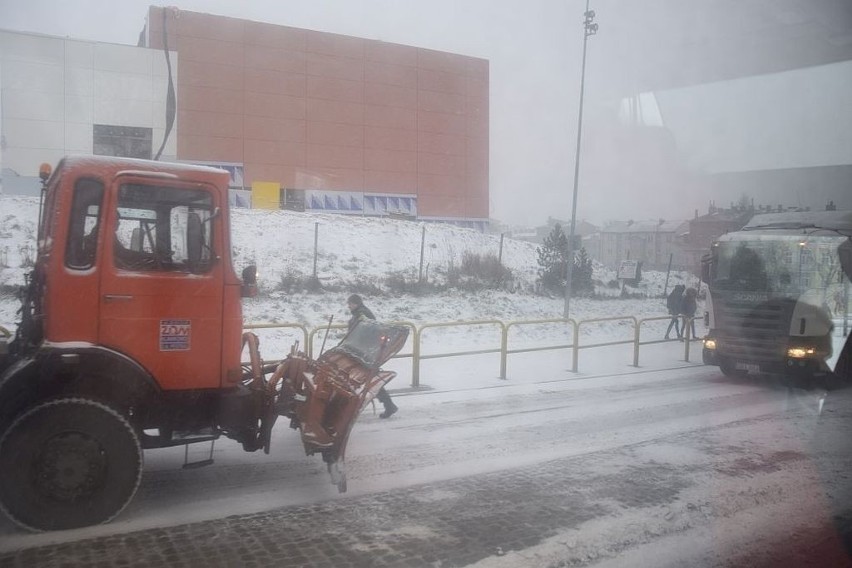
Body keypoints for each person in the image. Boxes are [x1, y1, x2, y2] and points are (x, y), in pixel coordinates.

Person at [347, 294, 398, 419]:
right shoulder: (359, 313)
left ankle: (389, 405)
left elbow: (365, 330)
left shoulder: (362, 314)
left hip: (364, 353)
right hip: (360, 351)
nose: (349, 306)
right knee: (366, 379)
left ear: (356, 303)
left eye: (350, 303)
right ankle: (389, 405)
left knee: (369, 379)